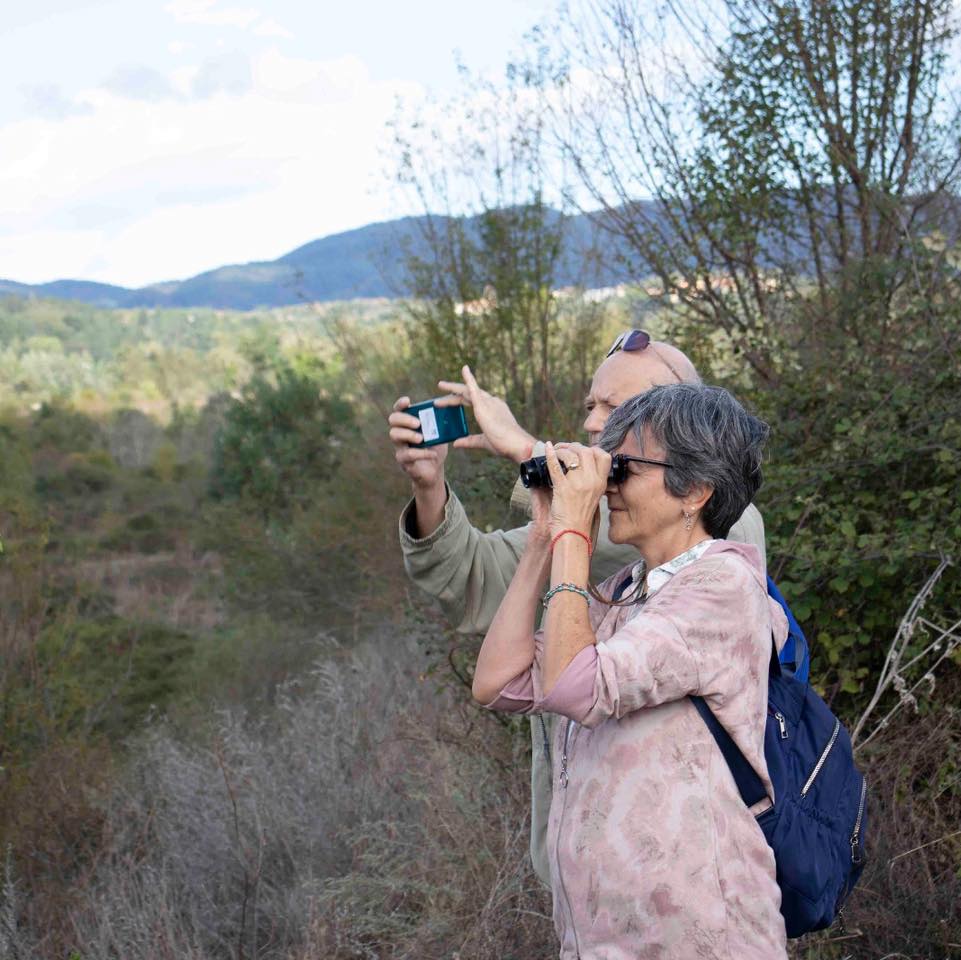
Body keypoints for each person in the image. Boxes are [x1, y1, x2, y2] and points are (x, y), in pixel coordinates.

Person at [387, 332, 767, 885]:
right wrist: (430, 487)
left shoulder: (725, 550)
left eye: (617, 409)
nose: (593, 423)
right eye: (591, 406)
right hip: (588, 875)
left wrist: (529, 454)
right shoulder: (612, 572)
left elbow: (580, 678)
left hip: (685, 879)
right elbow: (469, 580)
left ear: (693, 462)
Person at [472, 383, 788, 960]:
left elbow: (577, 687)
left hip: (699, 939)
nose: (608, 486)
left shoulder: (723, 586)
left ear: (694, 490)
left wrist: (575, 533)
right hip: (604, 939)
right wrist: (543, 539)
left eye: (624, 468)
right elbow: (499, 682)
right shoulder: (625, 593)